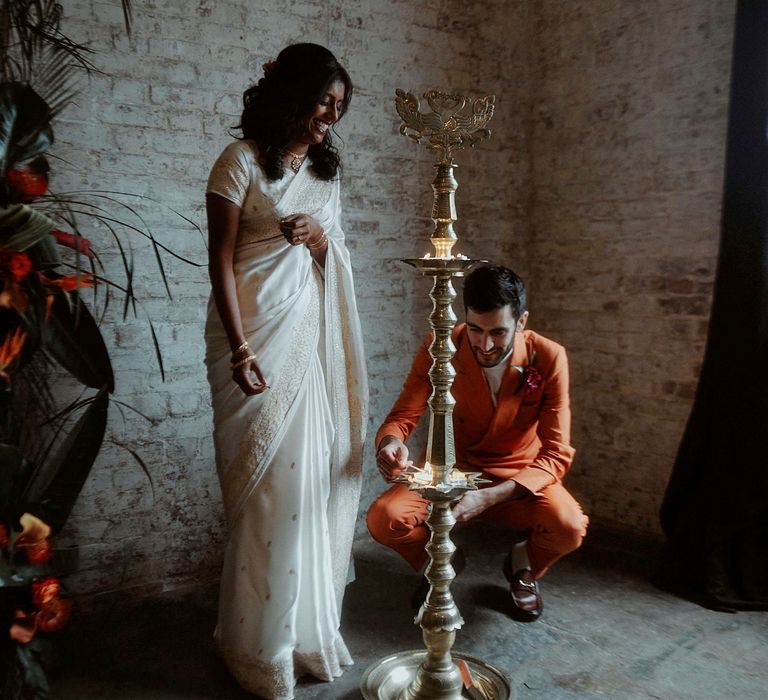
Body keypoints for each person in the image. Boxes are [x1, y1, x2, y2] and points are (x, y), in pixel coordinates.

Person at [204, 43, 367, 699]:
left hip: (304, 341)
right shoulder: (239, 162)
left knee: (302, 495)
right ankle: (255, 645)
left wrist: (321, 241)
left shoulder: (325, 176)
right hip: (249, 339)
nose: (331, 116)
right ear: (292, 93)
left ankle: (302, 637)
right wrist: (241, 350)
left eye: (339, 107)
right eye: (325, 101)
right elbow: (219, 260)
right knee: (263, 498)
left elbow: (337, 262)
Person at [367, 265, 587, 622]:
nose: (485, 345)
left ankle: (523, 567)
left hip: (519, 478)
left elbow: (556, 454)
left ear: (522, 321)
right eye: (475, 329)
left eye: (498, 332)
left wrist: (490, 496)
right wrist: (390, 444)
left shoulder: (548, 357)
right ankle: (440, 562)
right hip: (453, 470)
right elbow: (402, 417)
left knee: (568, 526)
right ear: (465, 318)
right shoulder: (440, 346)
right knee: (384, 519)